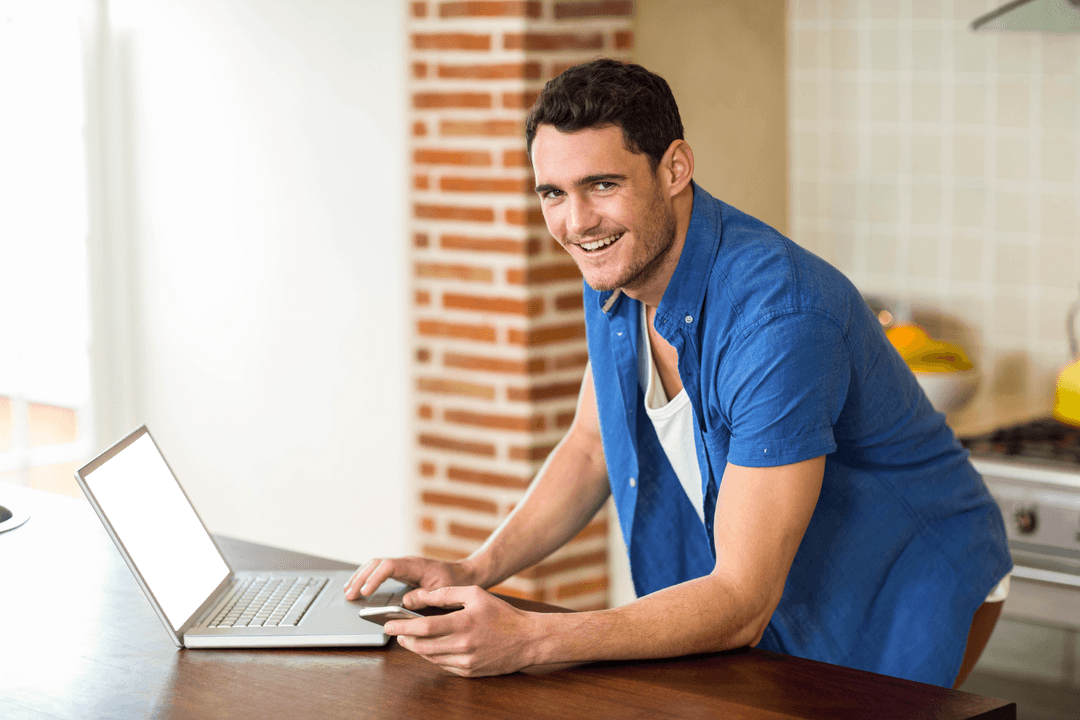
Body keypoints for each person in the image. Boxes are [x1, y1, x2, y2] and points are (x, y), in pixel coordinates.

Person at [344, 59, 1012, 687]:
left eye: (602, 185)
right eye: (554, 192)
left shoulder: (779, 319)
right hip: (772, 591)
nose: (576, 223)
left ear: (675, 168)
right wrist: (472, 569)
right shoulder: (616, 265)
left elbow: (743, 599)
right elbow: (590, 445)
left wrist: (534, 640)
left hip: (901, 577)